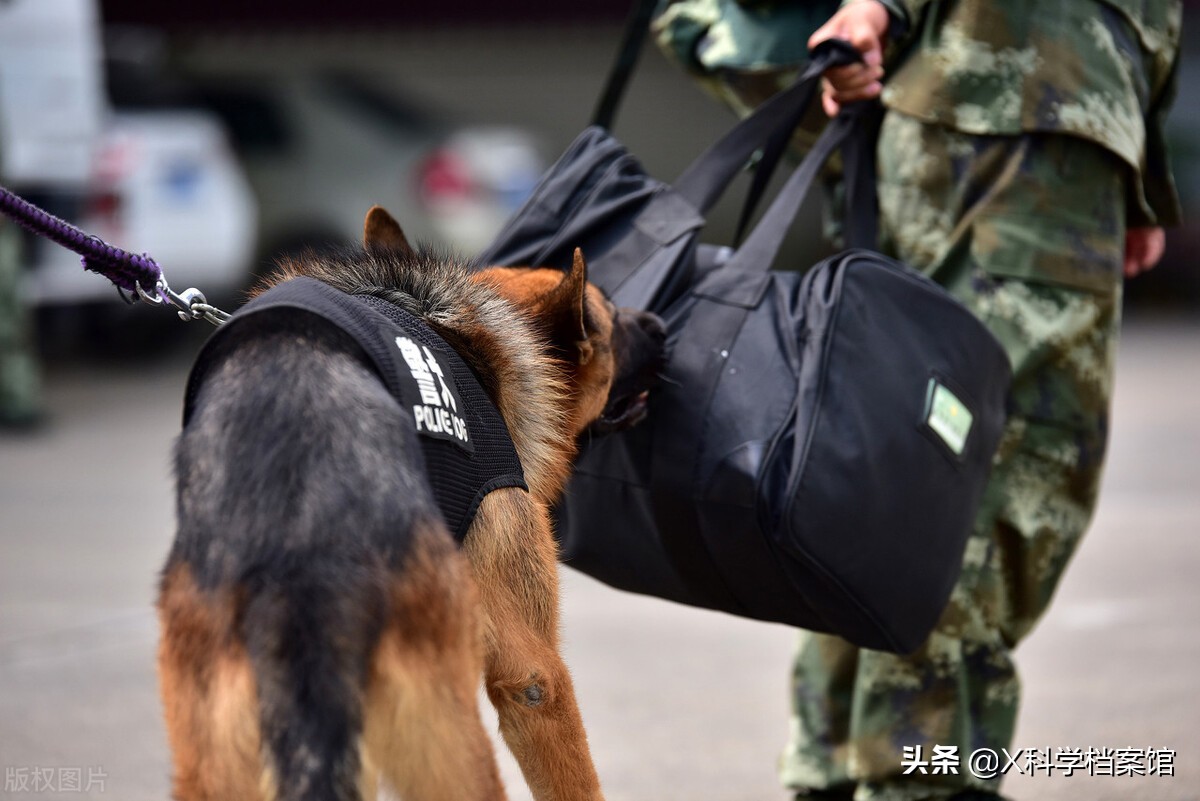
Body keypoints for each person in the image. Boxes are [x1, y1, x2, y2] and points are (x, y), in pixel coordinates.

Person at [653, 0, 1182, 798]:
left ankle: (837, 766)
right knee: (991, 471)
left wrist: (1135, 172)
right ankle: (917, 778)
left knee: (889, 447)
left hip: (977, 106)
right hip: (1021, 106)